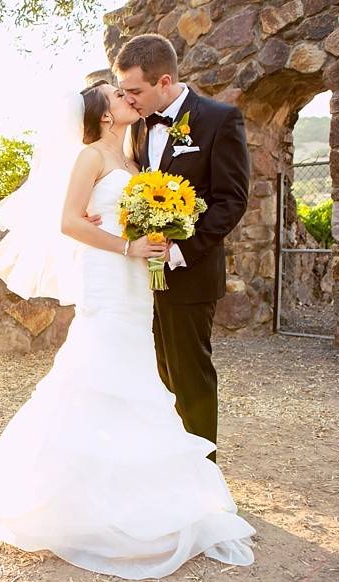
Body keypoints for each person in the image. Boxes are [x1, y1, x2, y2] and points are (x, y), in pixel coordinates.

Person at [0, 72, 256, 579]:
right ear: (104, 113)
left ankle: (139, 485)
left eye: (130, 92)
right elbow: (69, 222)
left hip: (136, 283)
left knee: (139, 373)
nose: (128, 99)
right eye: (118, 96)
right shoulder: (91, 156)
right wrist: (130, 246)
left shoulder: (133, 156)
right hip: (109, 277)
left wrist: (159, 233)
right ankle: (79, 496)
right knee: (103, 369)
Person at [114, 34, 250, 464]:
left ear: (165, 80)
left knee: (189, 377)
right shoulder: (136, 124)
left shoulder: (219, 119)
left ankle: (201, 477)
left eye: (135, 91)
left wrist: (178, 250)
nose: (128, 99)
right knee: (156, 377)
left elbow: (232, 200)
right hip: (139, 279)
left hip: (190, 274)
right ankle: (169, 469)